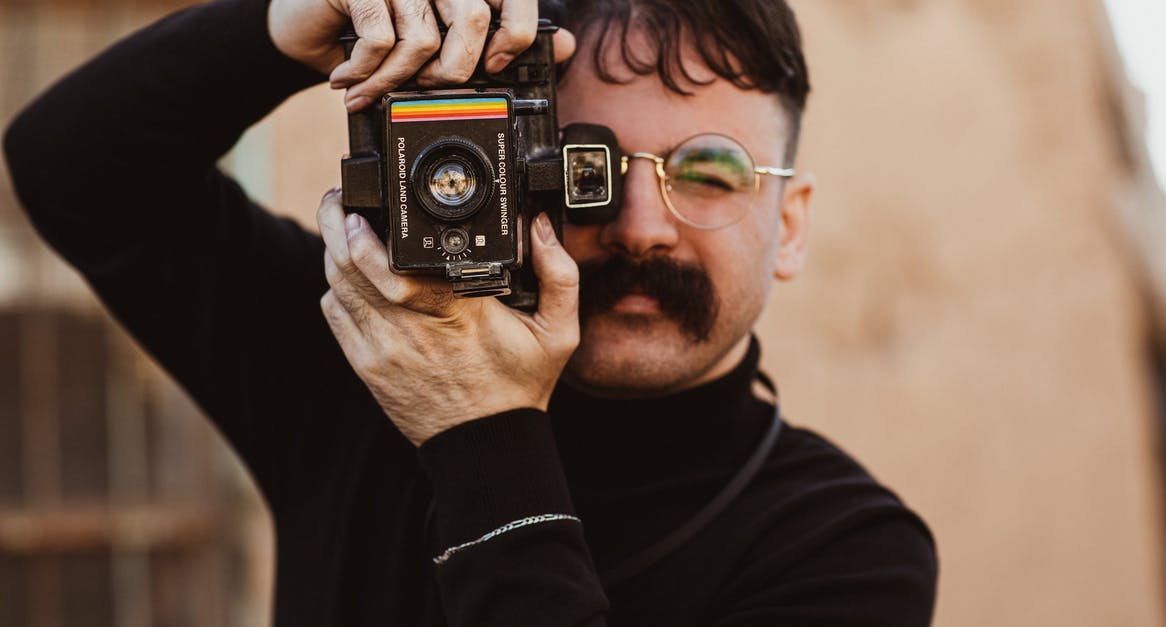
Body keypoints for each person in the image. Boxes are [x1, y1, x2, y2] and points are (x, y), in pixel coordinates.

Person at [4, 0, 938, 624]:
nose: (642, 226)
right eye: (588, 163)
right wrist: (285, 26)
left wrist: (480, 435)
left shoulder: (846, 547)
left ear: (791, 226)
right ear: (509, 166)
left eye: (709, 170)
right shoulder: (362, 352)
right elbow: (72, 166)